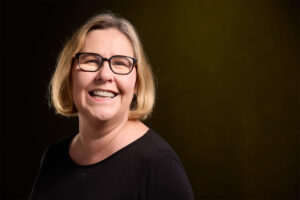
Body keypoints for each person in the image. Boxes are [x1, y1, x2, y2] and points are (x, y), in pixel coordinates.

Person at [29, 12, 194, 200]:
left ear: (137, 83)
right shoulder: (54, 157)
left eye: (120, 63)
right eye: (90, 60)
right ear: (69, 75)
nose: (105, 75)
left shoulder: (159, 167)